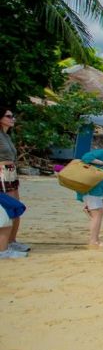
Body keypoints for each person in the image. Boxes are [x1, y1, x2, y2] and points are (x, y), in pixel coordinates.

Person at [0, 105, 28, 254]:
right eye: (8, 116)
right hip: (3, 172)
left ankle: (12, 240)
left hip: (10, 172)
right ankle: (7, 243)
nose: (12, 119)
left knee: (16, 206)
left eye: (12, 116)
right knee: (11, 207)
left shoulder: (7, 135)